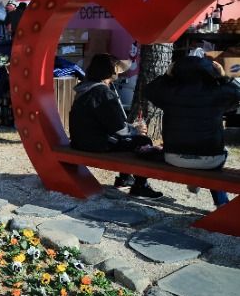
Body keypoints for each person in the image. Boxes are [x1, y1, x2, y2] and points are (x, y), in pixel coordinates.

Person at [145, 53, 240, 206]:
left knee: (202, 155)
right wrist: (224, 77)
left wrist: (167, 76)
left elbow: (149, 90)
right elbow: (237, 94)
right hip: (210, 160)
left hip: (174, 157)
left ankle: (197, 182)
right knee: (216, 156)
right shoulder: (218, 92)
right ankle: (221, 202)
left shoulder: (170, 93)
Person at [69, 53, 163, 199]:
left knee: (129, 139)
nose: (119, 73)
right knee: (143, 141)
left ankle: (125, 179)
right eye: (117, 69)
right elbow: (119, 129)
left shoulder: (84, 88)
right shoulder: (103, 92)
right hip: (96, 144)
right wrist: (136, 130)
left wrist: (130, 129)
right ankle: (140, 186)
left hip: (79, 141)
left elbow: (105, 122)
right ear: (110, 71)